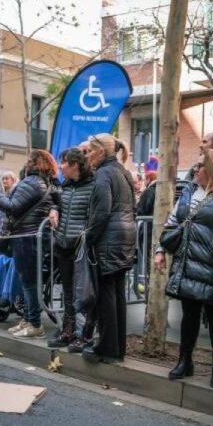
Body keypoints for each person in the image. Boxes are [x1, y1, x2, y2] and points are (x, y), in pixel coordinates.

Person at [155, 149, 213, 388]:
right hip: (187, 264)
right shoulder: (189, 192)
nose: (196, 170)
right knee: (189, 316)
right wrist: (160, 250)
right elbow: (172, 223)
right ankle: (184, 361)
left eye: (201, 166)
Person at [0, 150, 59, 338]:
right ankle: (28, 320)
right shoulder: (44, 182)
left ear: (35, 164)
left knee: (29, 282)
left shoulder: (32, 182)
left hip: (27, 237)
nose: (26, 163)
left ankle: (34, 324)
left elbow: (12, 207)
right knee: (29, 281)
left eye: (29, 161)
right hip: (32, 237)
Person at [82, 134, 137, 363]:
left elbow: (102, 211)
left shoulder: (104, 173)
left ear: (101, 152)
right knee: (117, 294)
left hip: (108, 239)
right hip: (125, 237)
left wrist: (89, 236)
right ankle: (117, 348)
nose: (87, 156)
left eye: (90, 151)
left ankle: (106, 348)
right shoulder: (123, 171)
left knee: (106, 295)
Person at [47, 148, 108, 350]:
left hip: (81, 248)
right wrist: (54, 210)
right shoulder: (66, 185)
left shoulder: (93, 184)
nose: (60, 166)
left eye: (63, 162)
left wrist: (86, 236)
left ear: (74, 164)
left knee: (85, 292)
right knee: (67, 291)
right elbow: (58, 204)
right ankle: (68, 331)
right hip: (63, 245)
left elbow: (97, 214)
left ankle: (86, 334)